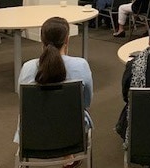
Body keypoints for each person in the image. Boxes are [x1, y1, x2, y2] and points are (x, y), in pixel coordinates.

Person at [14, 17, 93, 168]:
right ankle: (68, 156)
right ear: (67, 40)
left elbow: (23, 101)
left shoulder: (28, 67)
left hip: (33, 134)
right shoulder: (81, 65)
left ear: (42, 40)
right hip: (72, 134)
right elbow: (86, 101)